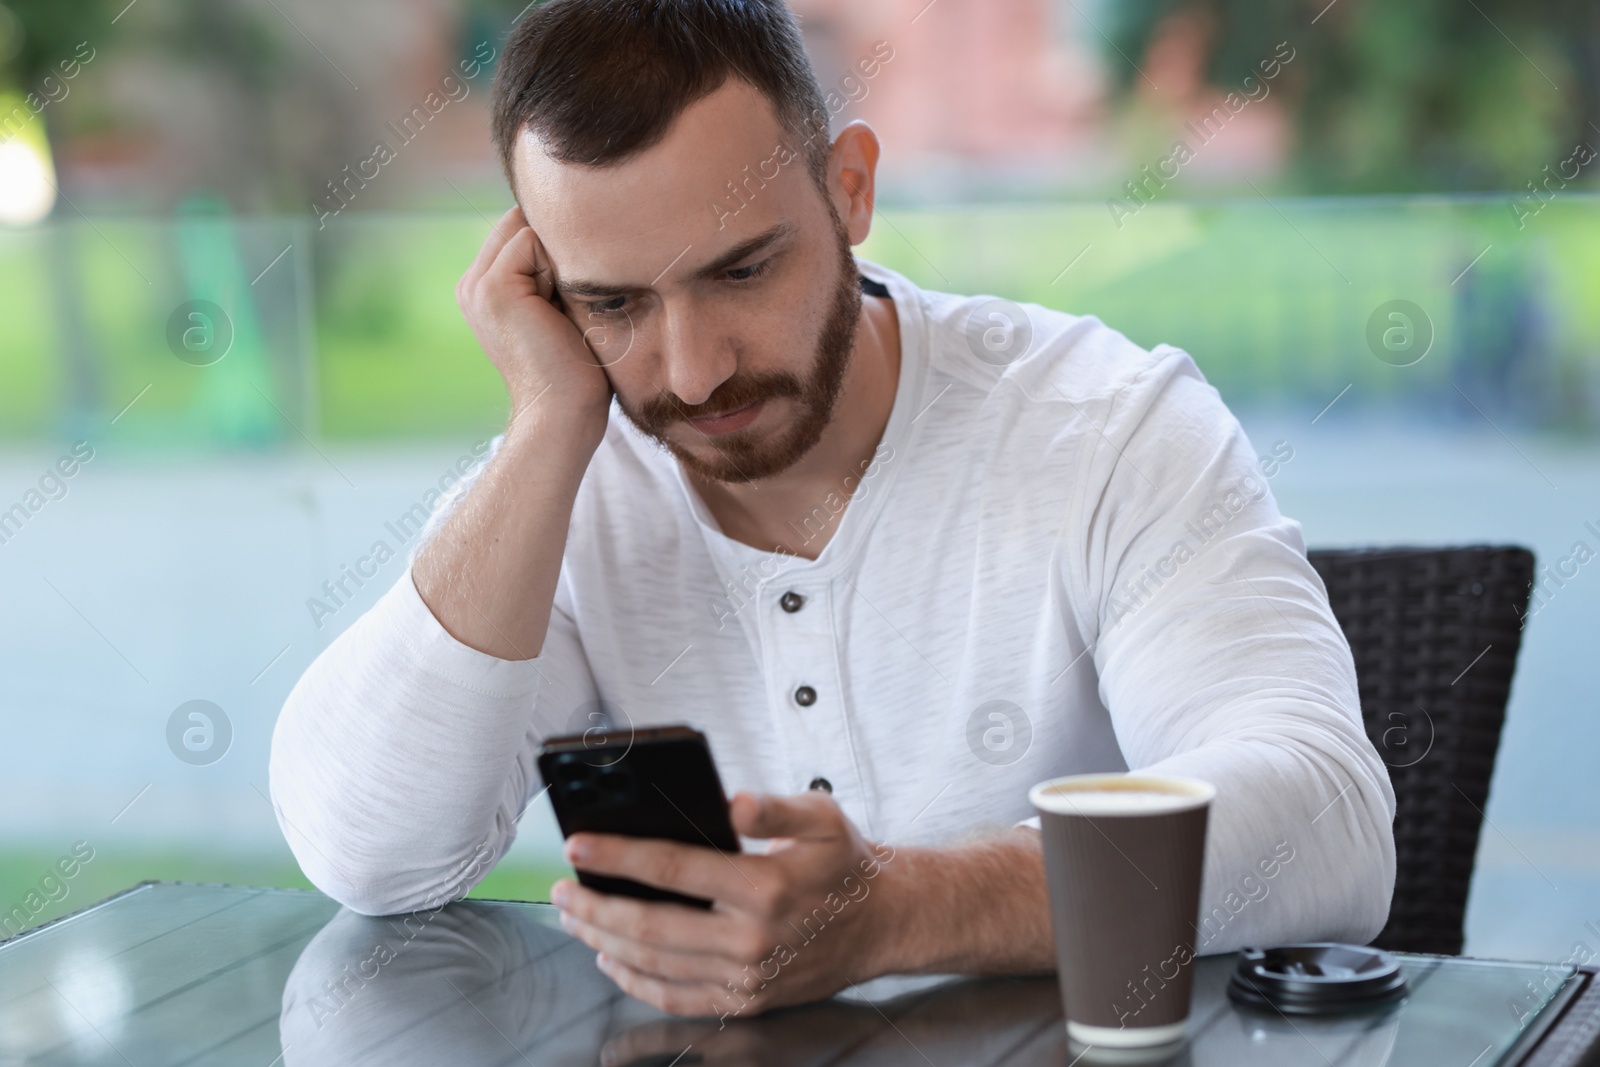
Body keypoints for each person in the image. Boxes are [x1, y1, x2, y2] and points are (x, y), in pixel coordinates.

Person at [269, 0, 1396, 1020]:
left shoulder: (1104, 424)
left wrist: (897, 909)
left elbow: (1326, 827)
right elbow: (374, 854)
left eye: (741, 271)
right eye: (611, 301)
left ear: (849, 186)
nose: (694, 370)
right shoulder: (573, 474)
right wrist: (549, 427)